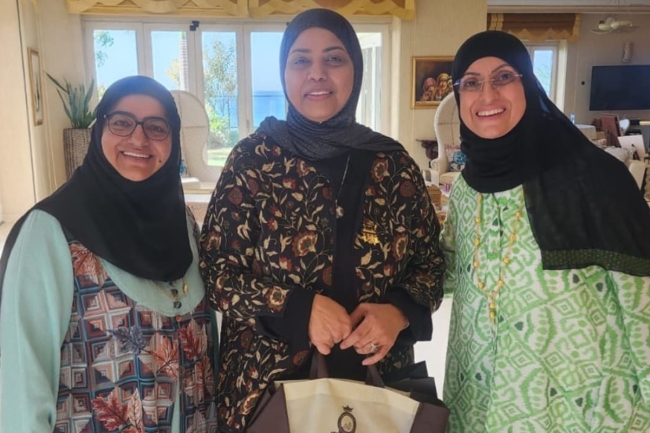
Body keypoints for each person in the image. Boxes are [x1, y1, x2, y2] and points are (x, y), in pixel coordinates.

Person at [199, 8, 444, 432]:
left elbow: (431, 264)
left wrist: (400, 311)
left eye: (334, 58)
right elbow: (216, 272)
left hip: (378, 393)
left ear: (355, 70)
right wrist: (297, 308)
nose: (317, 73)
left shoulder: (393, 164)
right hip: (268, 394)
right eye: (301, 60)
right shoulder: (253, 161)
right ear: (284, 73)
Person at [441, 30, 650, 432]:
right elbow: (450, 270)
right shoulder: (467, 189)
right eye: (471, 82)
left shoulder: (595, 178)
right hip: (479, 399)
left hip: (577, 408)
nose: (487, 95)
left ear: (529, 84)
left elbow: (643, 299)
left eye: (504, 77)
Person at [0, 76, 218, 432]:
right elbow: (21, 385)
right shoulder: (50, 233)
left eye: (156, 127)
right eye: (121, 122)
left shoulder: (182, 224)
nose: (139, 138)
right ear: (99, 130)